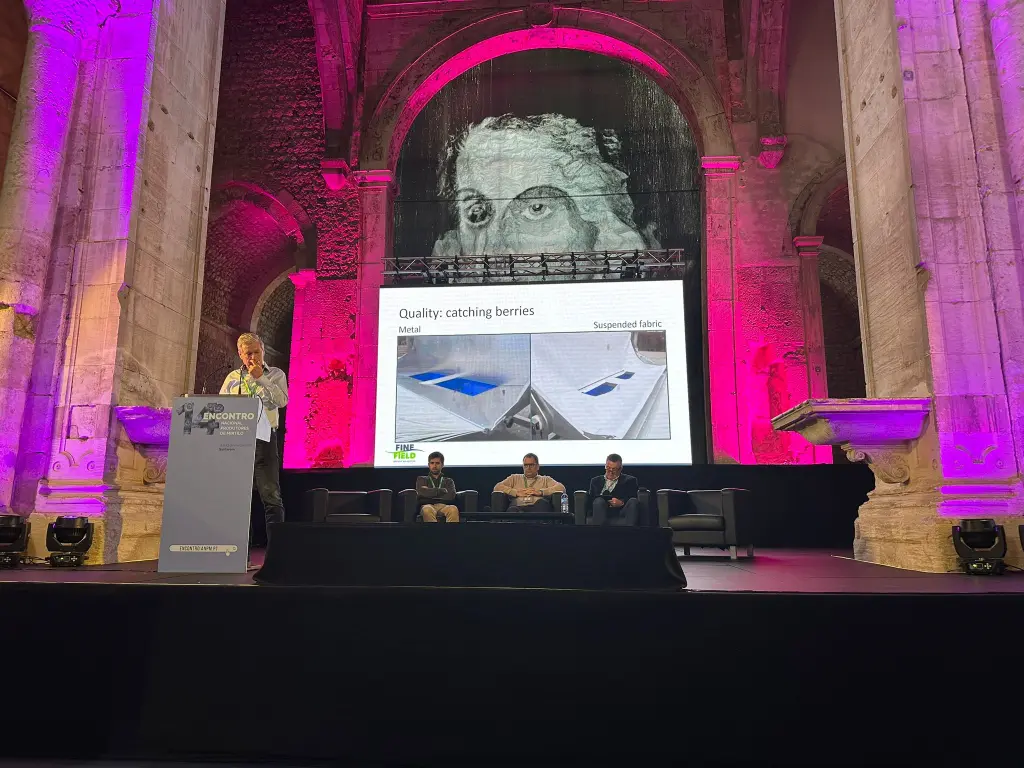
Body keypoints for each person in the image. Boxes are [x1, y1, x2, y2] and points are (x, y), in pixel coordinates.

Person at [220, 332, 289, 544]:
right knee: (239, 496)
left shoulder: (275, 374)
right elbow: (220, 407)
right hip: (236, 439)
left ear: (263, 351)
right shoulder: (232, 378)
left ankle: (277, 550)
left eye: (256, 352)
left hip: (265, 439)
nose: (253, 357)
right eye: (248, 353)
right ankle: (241, 550)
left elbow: (282, 401)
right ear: (240, 354)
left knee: (271, 495)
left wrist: (261, 378)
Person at [494, 453, 565, 512]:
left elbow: (561, 488)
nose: (528, 468)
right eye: (526, 465)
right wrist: (515, 492)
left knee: (542, 503)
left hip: (538, 509)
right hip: (518, 508)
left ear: (537, 466)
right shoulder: (514, 478)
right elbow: (497, 487)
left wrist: (541, 492)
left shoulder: (545, 479)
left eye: (531, 465)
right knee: (512, 510)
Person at [587, 453, 640, 526]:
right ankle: (598, 531)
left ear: (620, 468)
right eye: (608, 468)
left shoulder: (630, 481)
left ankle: (629, 532)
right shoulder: (595, 481)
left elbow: (633, 497)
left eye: (614, 469)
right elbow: (591, 500)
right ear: (605, 466)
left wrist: (621, 502)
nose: (610, 471)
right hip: (600, 510)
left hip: (620, 511)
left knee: (633, 501)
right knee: (598, 501)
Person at [416, 451, 459, 523]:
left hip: (444, 506)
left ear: (442, 465)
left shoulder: (449, 481)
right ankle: (434, 531)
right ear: (429, 465)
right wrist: (442, 491)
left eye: (437, 463)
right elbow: (421, 493)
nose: (434, 466)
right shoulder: (422, 479)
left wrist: (429, 491)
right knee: (427, 509)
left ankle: (451, 531)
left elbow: (451, 496)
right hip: (428, 505)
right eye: (432, 463)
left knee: (453, 508)